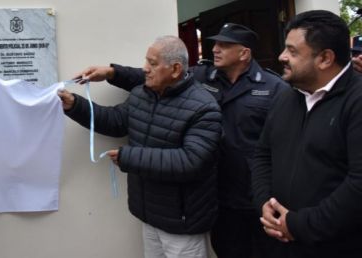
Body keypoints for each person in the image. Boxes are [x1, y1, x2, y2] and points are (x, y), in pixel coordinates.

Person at [77, 23, 285, 258]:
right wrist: (112, 73)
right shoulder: (202, 75)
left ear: (244, 53)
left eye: (224, 45)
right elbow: (153, 75)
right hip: (208, 190)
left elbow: (284, 143)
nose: (215, 49)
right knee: (225, 247)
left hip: (245, 191)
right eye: (215, 43)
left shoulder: (273, 87)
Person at [58, 35, 222, 258]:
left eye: (152, 64)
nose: (145, 69)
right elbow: (116, 122)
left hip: (183, 222)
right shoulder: (142, 93)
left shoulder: (204, 108)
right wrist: (75, 105)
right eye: (146, 61)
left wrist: (129, 157)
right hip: (149, 215)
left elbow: (190, 161)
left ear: (175, 69)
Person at [251, 10, 362, 258]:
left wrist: (299, 225)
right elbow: (262, 154)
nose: (282, 57)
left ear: (325, 58)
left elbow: (358, 185)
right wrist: (264, 204)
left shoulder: (357, 101)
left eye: (292, 51)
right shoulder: (284, 97)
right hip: (278, 244)